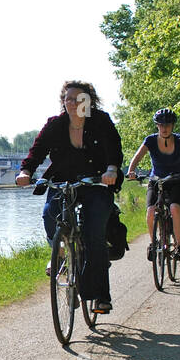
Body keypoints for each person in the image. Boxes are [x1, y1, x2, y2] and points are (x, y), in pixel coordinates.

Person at [16, 81, 123, 313]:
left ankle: (101, 297)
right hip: (63, 181)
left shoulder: (101, 121)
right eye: (68, 98)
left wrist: (112, 169)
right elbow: (37, 150)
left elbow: (113, 147)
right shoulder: (55, 125)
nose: (72, 103)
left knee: (93, 232)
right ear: (63, 102)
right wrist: (26, 171)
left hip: (95, 182)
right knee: (49, 215)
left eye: (78, 98)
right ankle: (62, 256)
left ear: (88, 101)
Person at [125, 107, 180, 261]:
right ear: (157, 126)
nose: (164, 128)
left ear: (173, 126)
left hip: (176, 180)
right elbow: (137, 157)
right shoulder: (150, 140)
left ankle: (179, 247)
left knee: (175, 208)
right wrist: (131, 171)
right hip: (156, 181)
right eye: (161, 125)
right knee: (151, 210)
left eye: (168, 125)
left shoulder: (179, 139)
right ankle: (153, 243)